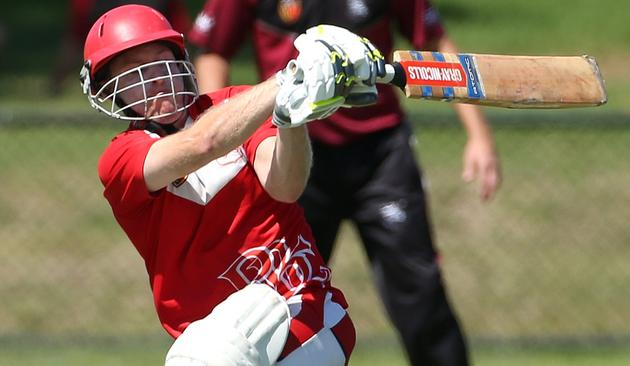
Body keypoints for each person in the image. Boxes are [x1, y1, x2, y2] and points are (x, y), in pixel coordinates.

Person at [188, 1, 502, 365]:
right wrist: (222, 141)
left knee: (421, 294)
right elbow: (214, 52)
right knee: (274, 305)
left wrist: (479, 135)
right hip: (292, 157)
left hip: (381, 155)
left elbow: (434, 43)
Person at [79, 4, 386, 365]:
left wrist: (292, 116)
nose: (155, 80)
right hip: (214, 336)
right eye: (134, 74)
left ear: (179, 64)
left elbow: (286, 186)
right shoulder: (121, 158)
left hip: (300, 308)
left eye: (160, 64)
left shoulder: (236, 106)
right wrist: (287, 78)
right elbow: (202, 143)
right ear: (113, 92)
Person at [51, 0, 191, 94]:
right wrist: (58, 80)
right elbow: (76, 37)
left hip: (159, 57)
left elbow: (179, 36)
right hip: (116, 71)